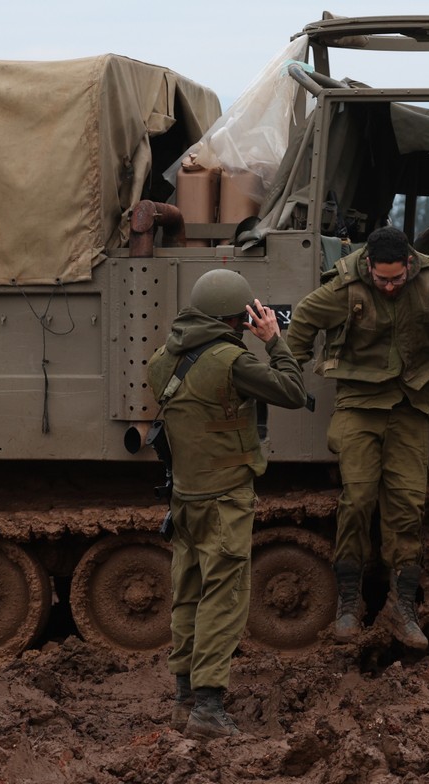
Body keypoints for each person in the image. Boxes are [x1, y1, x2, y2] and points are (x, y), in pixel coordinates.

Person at [285, 217, 429, 649]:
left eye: (397, 279)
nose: (390, 286)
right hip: (358, 405)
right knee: (357, 500)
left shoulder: (427, 277)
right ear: (368, 265)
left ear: (408, 265)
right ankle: (349, 604)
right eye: (381, 279)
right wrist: (287, 369)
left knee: (408, 505)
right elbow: (302, 320)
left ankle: (402, 606)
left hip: (409, 405)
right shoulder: (344, 289)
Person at [147, 268, 307, 739]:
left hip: (185, 499)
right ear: (236, 318)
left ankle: (184, 701)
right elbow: (293, 392)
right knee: (224, 598)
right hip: (225, 501)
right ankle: (209, 710)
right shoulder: (232, 361)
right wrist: (274, 340)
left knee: (188, 596)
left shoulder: (161, 359)